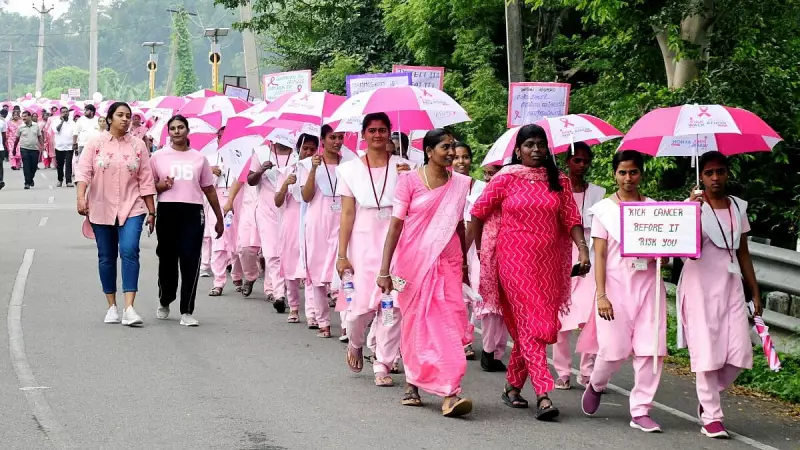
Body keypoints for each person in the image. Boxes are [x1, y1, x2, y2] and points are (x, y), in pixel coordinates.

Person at [467, 124, 589, 421]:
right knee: (532, 324)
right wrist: (462, 254)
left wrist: (583, 249)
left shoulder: (557, 180)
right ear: (518, 150)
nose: (536, 150)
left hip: (547, 264)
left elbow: (571, 217)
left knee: (540, 327)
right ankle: (544, 394)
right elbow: (478, 212)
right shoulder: (505, 178)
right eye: (529, 145)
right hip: (513, 260)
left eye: (540, 145)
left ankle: (511, 387)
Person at [377, 128, 474, 417]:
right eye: (445, 147)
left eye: (453, 147)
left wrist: (466, 265)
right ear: (429, 151)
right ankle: (412, 385)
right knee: (415, 323)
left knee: (449, 326)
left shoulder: (460, 184)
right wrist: (385, 270)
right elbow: (395, 226)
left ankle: (450, 391)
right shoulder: (408, 181)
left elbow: (458, 225)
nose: (451, 152)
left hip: (449, 261)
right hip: (412, 262)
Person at [579, 150, 666, 433]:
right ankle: (596, 383)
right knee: (613, 352)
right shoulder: (605, 210)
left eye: (634, 172)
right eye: (623, 172)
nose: (628, 178)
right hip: (615, 289)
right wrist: (601, 294)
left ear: (641, 174)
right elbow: (600, 256)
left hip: (649, 288)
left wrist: (689, 208)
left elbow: (670, 241)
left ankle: (640, 410)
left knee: (651, 351)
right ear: (614, 174)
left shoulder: (654, 208)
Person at [677, 151, 762, 439]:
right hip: (699, 283)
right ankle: (712, 416)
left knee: (739, 353)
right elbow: (680, 247)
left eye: (721, 171)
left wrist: (755, 290)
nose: (715, 177)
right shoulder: (693, 207)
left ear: (728, 174)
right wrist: (689, 210)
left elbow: (743, 251)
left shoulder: (738, 206)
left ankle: (708, 394)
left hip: (731, 283)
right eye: (710, 172)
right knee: (706, 350)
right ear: (701, 176)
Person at [336, 112, 410, 387]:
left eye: (382, 130)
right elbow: (346, 213)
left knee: (393, 306)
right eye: (372, 130)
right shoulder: (350, 170)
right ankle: (355, 343)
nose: (378, 135)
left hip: (397, 239)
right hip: (363, 240)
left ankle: (383, 363)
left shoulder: (405, 166)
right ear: (363, 134)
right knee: (358, 310)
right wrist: (342, 254)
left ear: (390, 132)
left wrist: (409, 179)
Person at [75, 102, 157, 326]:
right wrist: (81, 197)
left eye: (128, 116)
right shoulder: (96, 143)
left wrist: (152, 211)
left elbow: (146, 179)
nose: (125, 119)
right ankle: (111, 305)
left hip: (133, 206)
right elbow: (84, 172)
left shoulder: (139, 145)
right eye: (120, 115)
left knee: (130, 249)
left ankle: (129, 307)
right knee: (106, 256)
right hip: (101, 206)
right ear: (109, 118)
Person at [150, 115, 224, 327]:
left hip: (192, 212)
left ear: (187, 130)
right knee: (167, 260)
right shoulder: (158, 157)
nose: (176, 131)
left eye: (180, 127)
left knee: (191, 260)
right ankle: (165, 298)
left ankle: (187, 310)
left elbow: (209, 188)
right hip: (167, 210)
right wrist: (163, 186)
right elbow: (148, 186)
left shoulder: (199, 158)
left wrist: (219, 217)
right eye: (172, 128)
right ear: (168, 132)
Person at [553, 142, 605, 389]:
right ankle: (562, 371)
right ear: (567, 162)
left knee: (589, 318)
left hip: (591, 258)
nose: (582, 165)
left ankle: (587, 371)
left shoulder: (598, 193)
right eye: (577, 160)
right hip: (562, 255)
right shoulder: (555, 189)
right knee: (561, 318)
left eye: (586, 161)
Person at [299, 125, 345, 338]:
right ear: (323, 140)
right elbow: (306, 197)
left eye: (340, 137)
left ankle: (346, 323)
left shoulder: (350, 165)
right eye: (332, 137)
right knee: (317, 275)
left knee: (345, 274)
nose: (337, 141)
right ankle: (323, 321)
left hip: (342, 222)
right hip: (317, 223)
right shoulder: (307, 164)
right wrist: (314, 170)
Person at [249, 141, 297, 311]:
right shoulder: (261, 152)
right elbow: (250, 180)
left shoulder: (298, 153)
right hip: (267, 209)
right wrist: (261, 170)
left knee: (288, 252)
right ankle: (279, 294)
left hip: (291, 207)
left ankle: (288, 291)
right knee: (271, 252)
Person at [274, 135, 317, 323]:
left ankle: (312, 313)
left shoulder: (319, 170)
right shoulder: (286, 171)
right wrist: (285, 184)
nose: (308, 153)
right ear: (298, 149)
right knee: (291, 266)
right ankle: (293, 306)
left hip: (312, 220)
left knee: (310, 266)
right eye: (305, 148)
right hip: (291, 222)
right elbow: (277, 201)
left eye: (312, 149)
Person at [14, 111, 44, 190]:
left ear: (30, 117)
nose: (24, 118)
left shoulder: (36, 126)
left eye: (25, 116)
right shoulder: (21, 127)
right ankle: (27, 182)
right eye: (22, 116)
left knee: (33, 166)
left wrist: (42, 145)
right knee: (26, 166)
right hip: (24, 149)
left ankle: (30, 179)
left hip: (35, 149)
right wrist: (14, 148)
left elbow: (39, 136)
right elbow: (17, 138)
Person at [52, 107, 75, 187]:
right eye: (63, 112)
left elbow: (75, 133)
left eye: (66, 112)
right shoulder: (55, 121)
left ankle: (68, 181)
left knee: (68, 164)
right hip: (59, 146)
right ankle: (60, 179)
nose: (65, 113)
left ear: (68, 113)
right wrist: (61, 121)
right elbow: (57, 130)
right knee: (60, 164)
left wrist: (75, 144)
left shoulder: (72, 122)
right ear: (60, 113)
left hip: (69, 146)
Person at [0, 109, 7, 190]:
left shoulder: (2, 122)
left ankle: (0, 180)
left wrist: (3, 144)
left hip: (0, 147)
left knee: (0, 165)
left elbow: (4, 135)